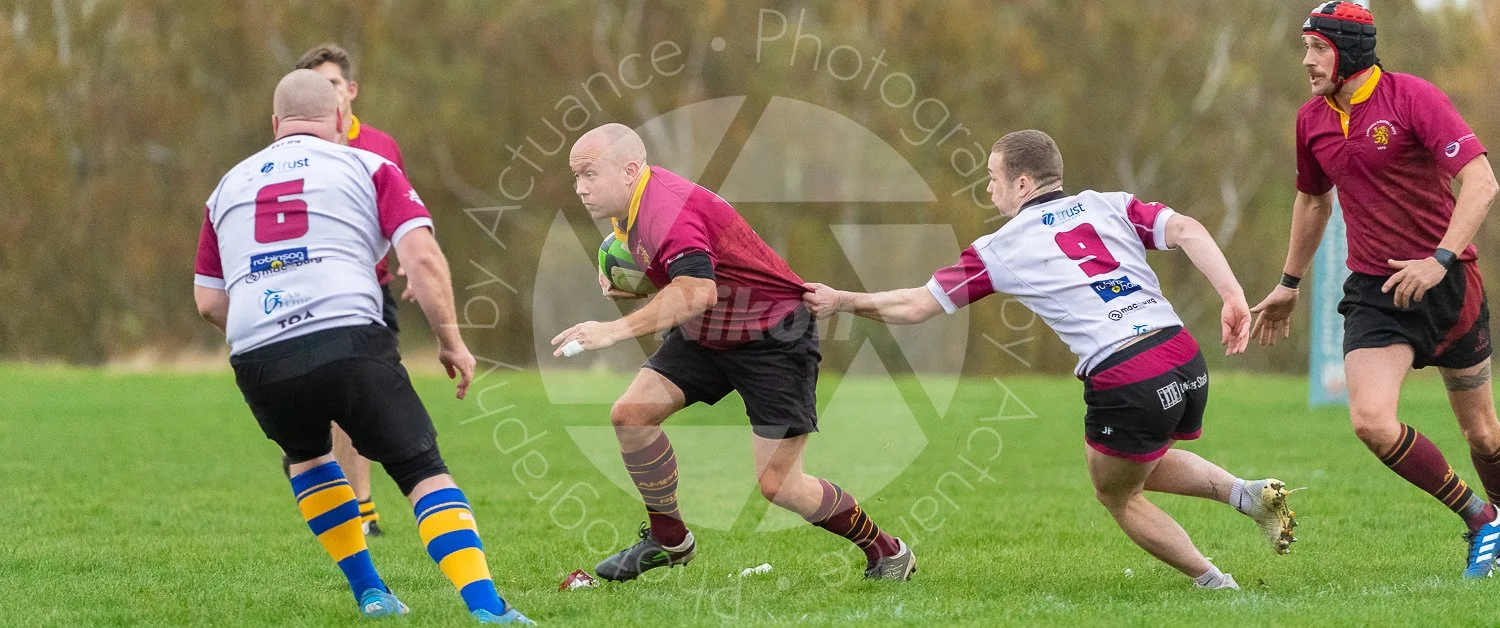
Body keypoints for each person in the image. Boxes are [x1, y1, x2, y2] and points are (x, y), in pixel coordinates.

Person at [803, 130, 1297, 590]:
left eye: (993, 178)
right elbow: (1187, 229)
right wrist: (1232, 295)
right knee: (1138, 460)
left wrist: (841, 300)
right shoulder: (1110, 204)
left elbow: (916, 306)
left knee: (1117, 493)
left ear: (1022, 183)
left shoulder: (999, 247)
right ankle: (1246, 495)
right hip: (1182, 355)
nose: (989, 188)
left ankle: (1216, 585)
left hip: (1126, 372)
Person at [192, 70, 532, 624]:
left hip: (257, 353)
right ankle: (487, 608)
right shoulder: (369, 165)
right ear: (340, 119)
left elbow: (208, 301)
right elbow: (422, 260)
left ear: (275, 124)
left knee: (307, 458)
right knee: (421, 467)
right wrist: (451, 342)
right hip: (347, 335)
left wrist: (269, 325)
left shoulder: (226, 187)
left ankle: (372, 594)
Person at [552, 123, 914, 582]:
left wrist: (613, 331)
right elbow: (696, 276)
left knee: (780, 486)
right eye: (576, 176)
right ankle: (669, 539)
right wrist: (642, 284)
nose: (580, 188)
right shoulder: (631, 207)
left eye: (589, 174)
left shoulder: (666, 207)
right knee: (631, 415)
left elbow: (698, 289)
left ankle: (888, 552)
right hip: (708, 332)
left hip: (773, 337)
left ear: (629, 170)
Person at [1249, 1, 1500, 578]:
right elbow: (1314, 201)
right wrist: (1289, 282)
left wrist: (1439, 260)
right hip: (1374, 291)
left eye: (1318, 48)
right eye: (1306, 48)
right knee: (1370, 421)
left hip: (1449, 288)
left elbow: (1481, 182)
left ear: (1350, 51)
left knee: (1483, 433)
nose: (1307, 61)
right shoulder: (1311, 120)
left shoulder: (1413, 97)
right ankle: (1481, 518)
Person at [276, 43, 412, 537]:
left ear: (351, 90)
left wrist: (412, 257)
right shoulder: (291, 151)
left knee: (361, 403)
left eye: (332, 83)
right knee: (334, 401)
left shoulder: (380, 146)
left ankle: (354, 502)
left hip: (371, 291)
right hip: (308, 292)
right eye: (314, 85)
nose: (325, 93)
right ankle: (355, 505)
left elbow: (401, 213)